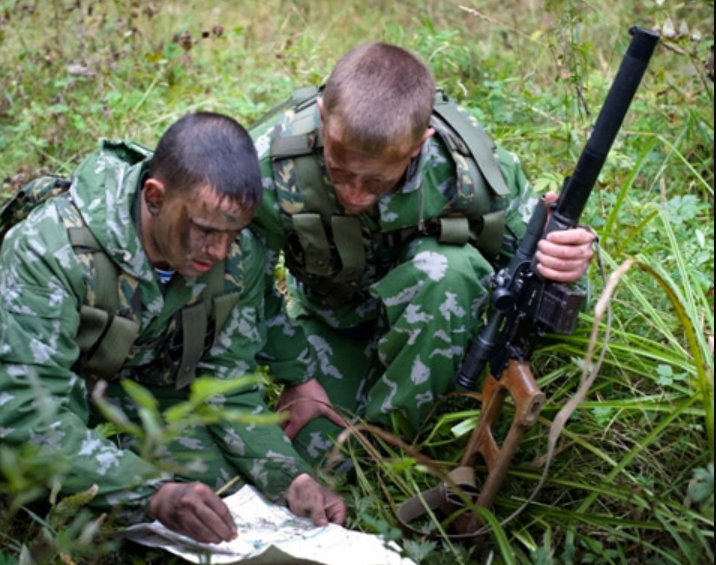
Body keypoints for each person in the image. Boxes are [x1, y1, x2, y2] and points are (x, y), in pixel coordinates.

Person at [0, 112, 346, 544]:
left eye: (234, 234)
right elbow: (28, 415)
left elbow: (228, 383)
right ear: (154, 197)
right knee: (39, 494)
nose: (219, 252)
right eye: (205, 231)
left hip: (138, 372)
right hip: (35, 381)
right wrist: (152, 494)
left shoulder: (237, 254)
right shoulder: (52, 246)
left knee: (225, 490)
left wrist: (291, 479)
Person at [250, 43, 596, 462]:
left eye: (377, 180)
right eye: (340, 170)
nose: (354, 192)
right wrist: (297, 374)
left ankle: (399, 450)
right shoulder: (271, 166)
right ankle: (365, 450)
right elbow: (240, 285)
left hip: (435, 333)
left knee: (448, 268)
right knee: (315, 460)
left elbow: (549, 291)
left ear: (419, 144)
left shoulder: (468, 171)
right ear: (324, 118)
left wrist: (567, 266)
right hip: (332, 324)